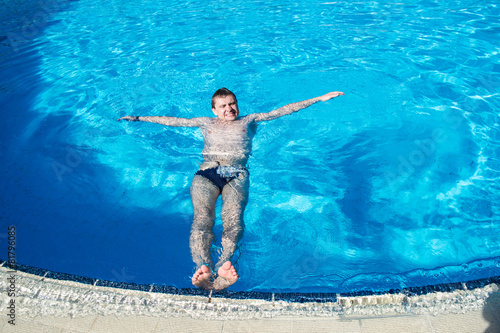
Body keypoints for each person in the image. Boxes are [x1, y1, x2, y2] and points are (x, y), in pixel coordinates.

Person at [118, 88, 344, 290]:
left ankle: (225, 264)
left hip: (237, 174)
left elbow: (283, 110)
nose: (229, 108)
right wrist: (139, 118)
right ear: (214, 109)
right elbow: (173, 121)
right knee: (202, 219)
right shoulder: (205, 122)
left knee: (233, 219)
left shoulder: (249, 120)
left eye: (232, 103)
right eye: (224, 106)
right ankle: (203, 267)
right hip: (206, 173)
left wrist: (319, 98)